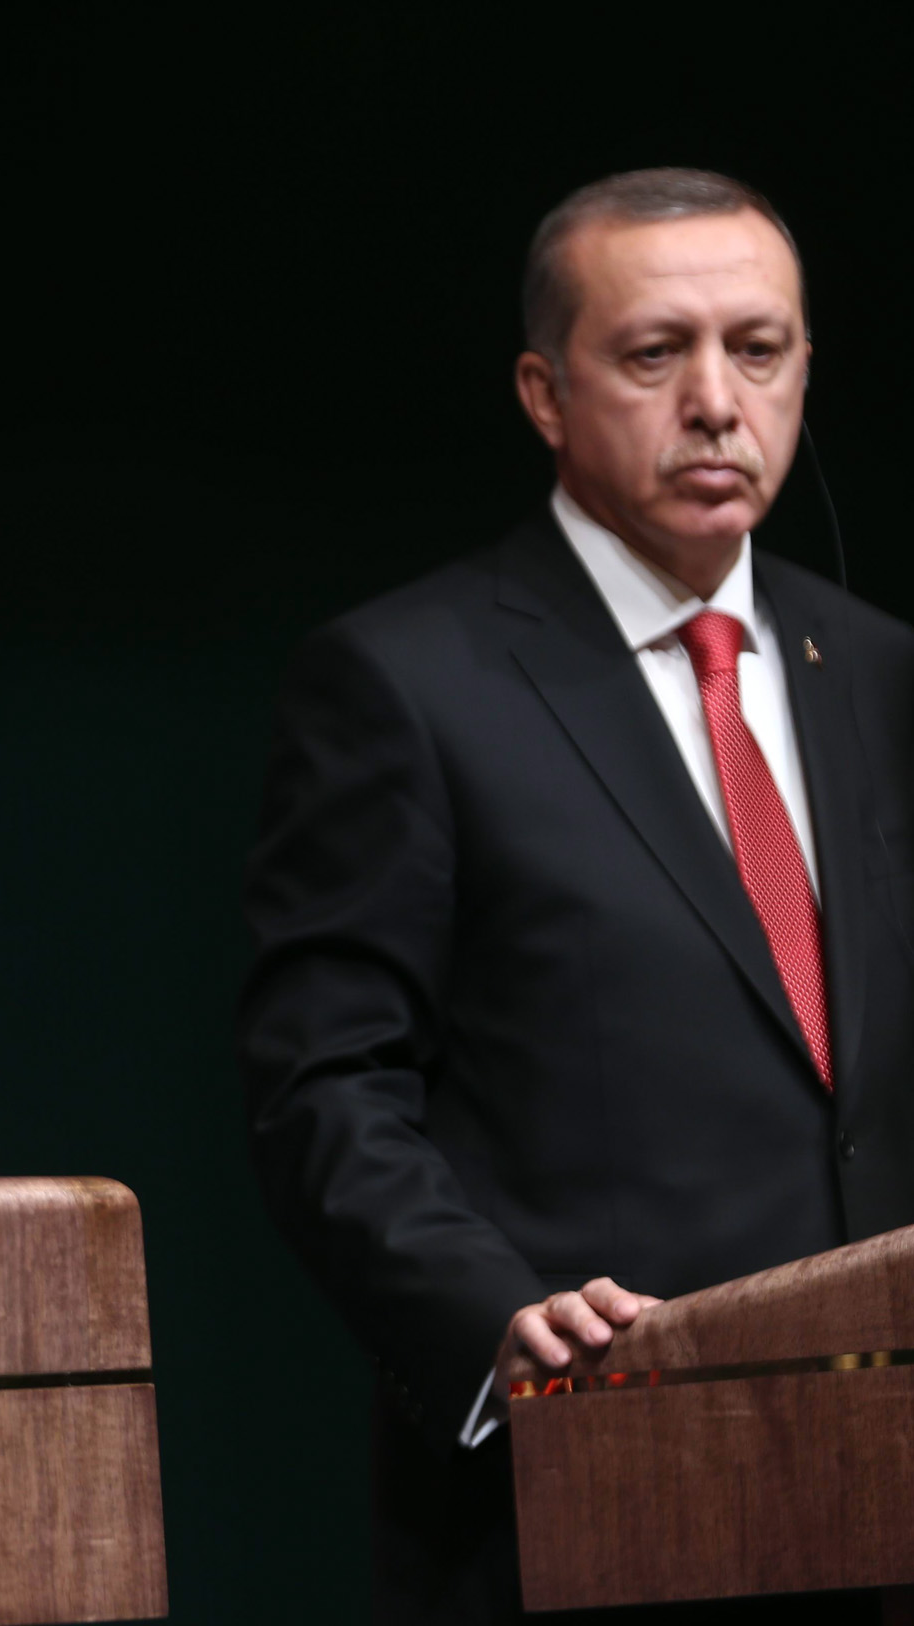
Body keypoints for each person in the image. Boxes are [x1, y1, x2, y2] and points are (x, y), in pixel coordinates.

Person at [242, 169, 914, 1622]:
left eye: (756, 349)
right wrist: (488, 1315)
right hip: (595, 1494)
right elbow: (324, 1087)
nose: (716, 403)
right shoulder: (403, 684)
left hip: (885, 1490)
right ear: (544, 394)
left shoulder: (877, 671)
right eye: (655, 353)